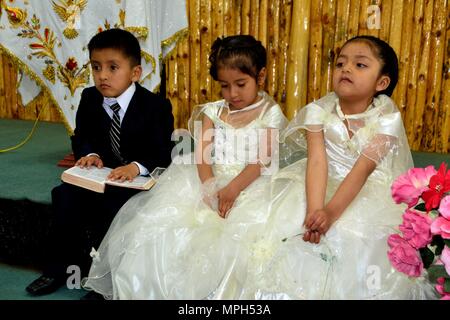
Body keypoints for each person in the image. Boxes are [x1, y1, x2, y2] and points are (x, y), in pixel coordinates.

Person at [82, 35, 288, 299]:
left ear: (260, 77)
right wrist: (208, 188)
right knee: (169, 226)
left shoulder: (269, 113)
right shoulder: (212, 112)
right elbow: (202, 155)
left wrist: (232, 189)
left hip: (249, 183)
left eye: (240, 84)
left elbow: (262, 160)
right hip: (209, 178)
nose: (232, 94)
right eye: (224, 86)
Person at [239, 35, 438, 299]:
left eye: (360, 65)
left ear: (382, 82)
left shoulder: (387, 119)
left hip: (365, 190)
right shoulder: (317, 111)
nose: (346, 68)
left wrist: (330, 214)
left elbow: (362, 170)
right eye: (341, 63)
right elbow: (317, 162)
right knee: (287, 227)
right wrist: (314, 212)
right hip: (318, 185)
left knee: (355, 237)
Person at [25, 28, 174, 296]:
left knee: (116, 210)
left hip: (137, 183)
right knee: (65, 196)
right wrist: (91, 155)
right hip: (101, 177)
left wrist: (135, 167)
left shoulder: (156, 107)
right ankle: (59, 269)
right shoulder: (90, 98)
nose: (102, 75)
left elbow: (162, 152)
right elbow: (81, 137)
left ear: (135, 73)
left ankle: (107, 281)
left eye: (112, 67)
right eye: (96, 67)